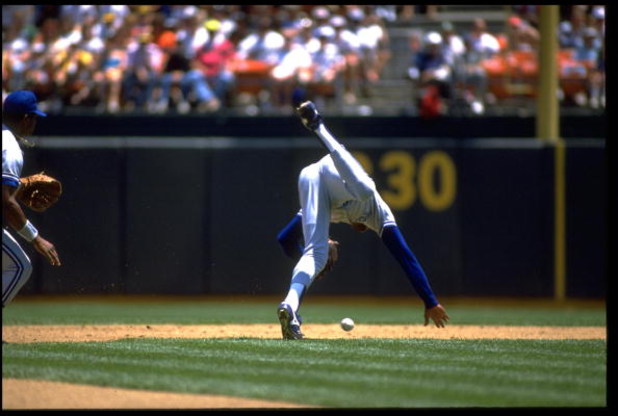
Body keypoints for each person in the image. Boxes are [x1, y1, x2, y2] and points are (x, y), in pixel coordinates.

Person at [275, 101, 449, 340]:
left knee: (314, 255)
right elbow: (406, 257)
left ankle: (290, 308)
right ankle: (318, 126)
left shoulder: (335, 213)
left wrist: (317, 253)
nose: (361, 228)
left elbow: (284, 239)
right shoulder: (380, 214)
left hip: (309, 177)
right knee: (367, 189)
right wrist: (430, 301)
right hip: (331, 169)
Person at [2, 90, 61, 316]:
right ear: (26, 119)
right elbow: (6, 204)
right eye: (34, 117)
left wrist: (19, 185)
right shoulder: (10, 148)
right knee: (19, 266)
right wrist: (36, 238)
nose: (35, 123)